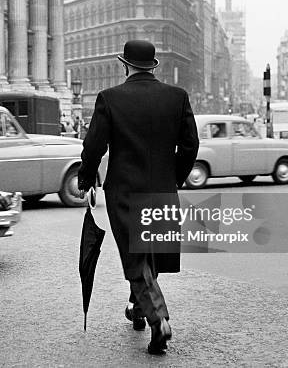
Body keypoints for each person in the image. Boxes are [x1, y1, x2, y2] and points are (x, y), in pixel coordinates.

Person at [78, 40, 199, 355]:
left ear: (124, 64)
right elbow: (191, 144)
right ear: (154, 65)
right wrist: (173, 176)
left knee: (136, 257)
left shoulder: (110, 99)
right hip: (162, 187)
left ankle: (158, 318)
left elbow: (94, 146)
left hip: (125, 189)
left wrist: (86, 178)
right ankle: (137, 307)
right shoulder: (177, 97)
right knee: (150, 251)